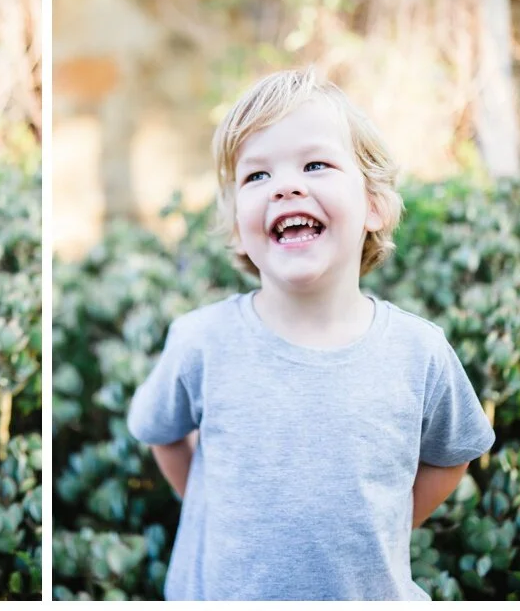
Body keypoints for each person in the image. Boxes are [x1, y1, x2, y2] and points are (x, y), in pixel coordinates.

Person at [127, 68, 496, 600]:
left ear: (373, 204)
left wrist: (385, 527)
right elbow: (160, 430)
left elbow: (453, 452)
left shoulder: (418, 352)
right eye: (256, 175)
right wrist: (217, 514)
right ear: (238, 226)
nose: (285, 185)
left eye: (316, 165)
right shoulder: (201, 341)